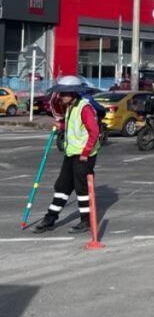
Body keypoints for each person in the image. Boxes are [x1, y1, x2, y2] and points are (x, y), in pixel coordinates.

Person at [34, 84, 102, 234]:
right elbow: (73, 126)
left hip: (84, 155)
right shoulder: (71, 107)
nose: (61, 96)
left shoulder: (85, 108)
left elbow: (94, 131)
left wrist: (85, 152)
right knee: (62, 186)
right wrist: (62, 125)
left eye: (64, 94)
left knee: (81, 188)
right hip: (71, 153)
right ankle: (50, 218)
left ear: (73, 93)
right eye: (61, 94)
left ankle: (86, 221)